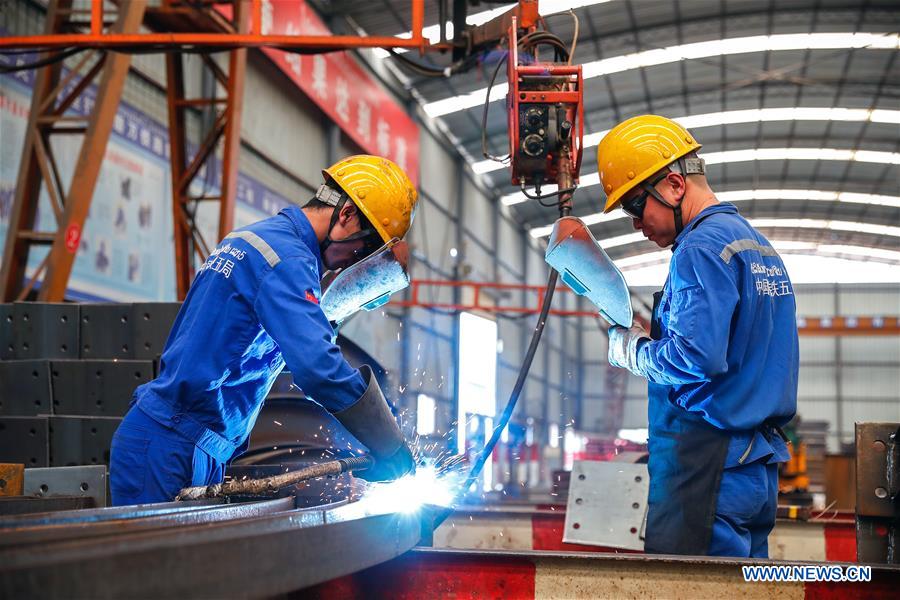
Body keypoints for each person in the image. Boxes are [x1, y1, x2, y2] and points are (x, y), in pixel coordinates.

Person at [110, 155, 418, 505]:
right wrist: (389, 446)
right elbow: (318, 368)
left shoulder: (269, 242)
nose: (355, 260)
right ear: (346, 214)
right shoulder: (288, 260)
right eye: (364, 248)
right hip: (169, 444)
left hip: (191, 443)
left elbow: (284, 353)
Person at [597, 115, 798, 557]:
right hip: (754, 468)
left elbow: (695, 357)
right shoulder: (757, 247)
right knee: (745, 586)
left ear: (673, 185)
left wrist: (632, 351)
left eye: (635, 206)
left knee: (692, 585)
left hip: (709, 468)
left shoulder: (699, 249)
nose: (636, 223)